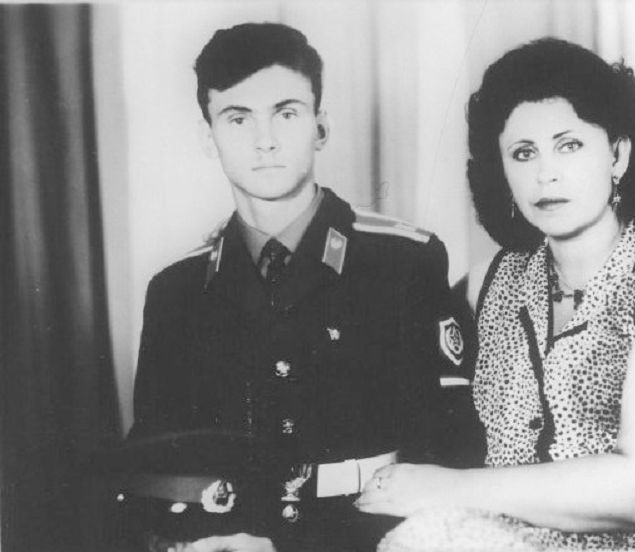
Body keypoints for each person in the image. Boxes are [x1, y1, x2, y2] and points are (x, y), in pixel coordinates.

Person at [356, 37, 635, 549]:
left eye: (569, 145)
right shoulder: (490, 284)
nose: (545, 172)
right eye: (523, 153)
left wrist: (447, 488)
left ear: (617, 155)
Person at [119, 21, 470, 552]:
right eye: (238, 118)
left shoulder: (404, 262)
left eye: (286, 113)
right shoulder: (176, 291)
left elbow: (451, 448)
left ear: (320, 127)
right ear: (208, 137)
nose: (265, 141)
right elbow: (156, 470)